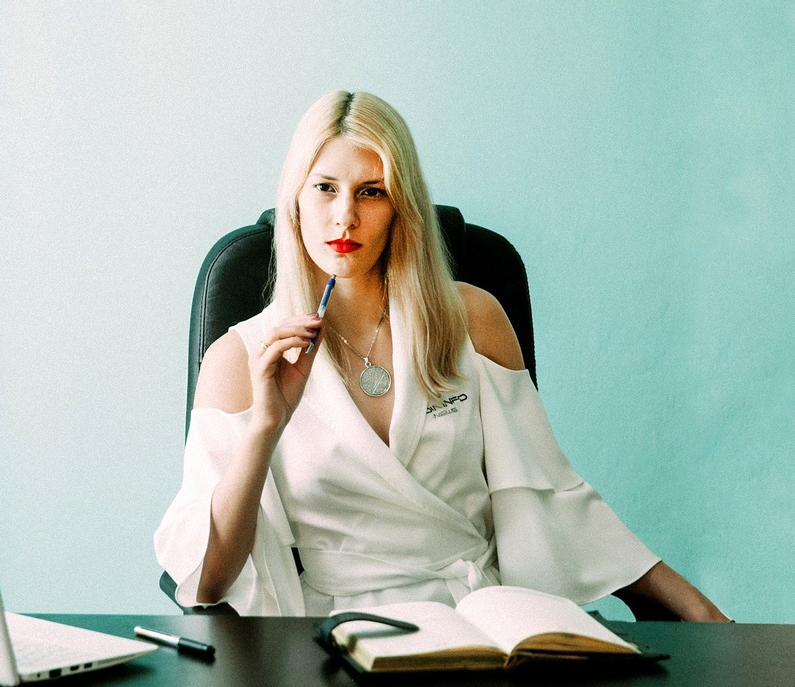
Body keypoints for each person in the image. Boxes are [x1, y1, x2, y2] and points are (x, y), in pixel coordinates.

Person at [155, 90, 730, 621]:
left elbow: (551, 496)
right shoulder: (238, 358)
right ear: (295, 201)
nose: (345, 216)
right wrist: (265, 427)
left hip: (482, 617)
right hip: (341, 635)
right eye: (325, 187)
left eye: (371, 192)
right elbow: (210, 580)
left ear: (400, 206)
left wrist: (699, 611)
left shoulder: (473, 318)